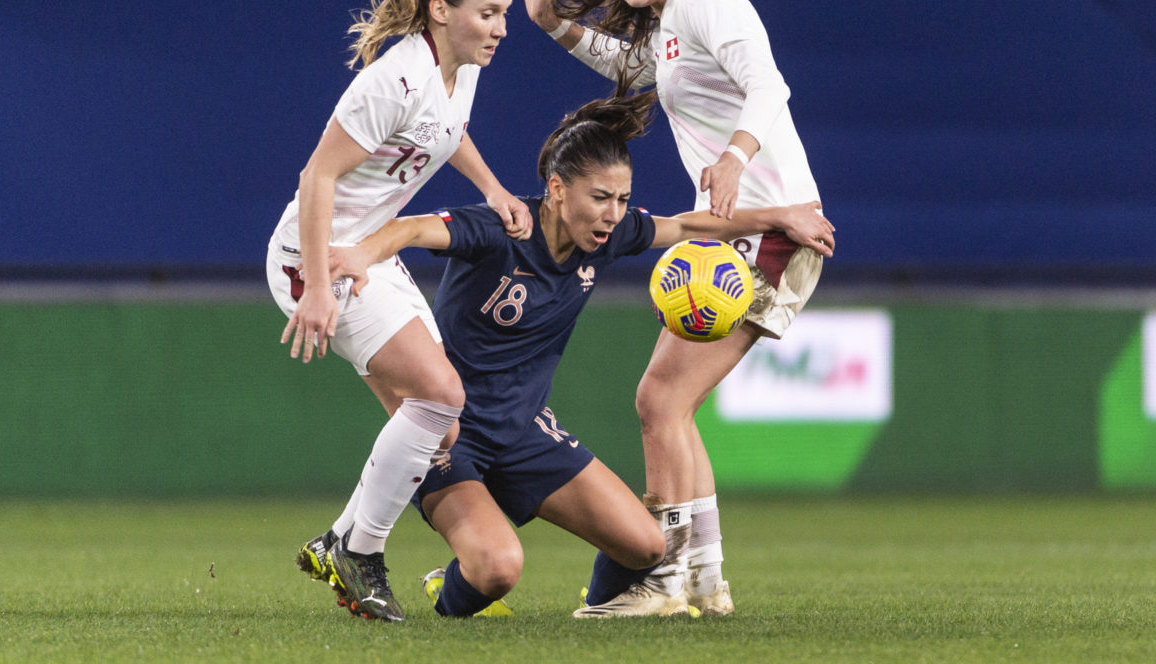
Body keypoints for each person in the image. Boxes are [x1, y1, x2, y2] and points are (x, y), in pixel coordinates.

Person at [321, 92, 834, 618]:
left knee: (646, 547)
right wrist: (361, 253)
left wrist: (779, 218)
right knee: (498, 569)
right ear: (558, 189)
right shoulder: (503, 229)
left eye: (622, 198)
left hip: (523, 433)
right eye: (600, 197)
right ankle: (452, 597)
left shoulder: (608, 237)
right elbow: (411, 228)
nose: (614, 214)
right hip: (447, 435)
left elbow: (688, 226)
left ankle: (598, 607)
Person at [511, 0, 825, 615]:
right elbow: (637, 68)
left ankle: (663, 579)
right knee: (669, 405)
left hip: (768, 230)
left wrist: (737, 157)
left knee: (660, 400)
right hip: (748, 228)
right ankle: (704, 584)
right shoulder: (675, 19)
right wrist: (555, 24)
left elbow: (768, 84)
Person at [267, 0, 532, 623]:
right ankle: (361, 552)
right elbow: (315, 177)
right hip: (315, 254)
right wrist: (319, 288)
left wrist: (493, 186)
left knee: (439, 427)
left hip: (368, 253)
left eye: (505, 14)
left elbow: (447, 133)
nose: (502, 27)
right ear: (442, 10)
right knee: (442, 393)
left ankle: (339, 542)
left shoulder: (460, 69)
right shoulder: (395, 79)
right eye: (489, 13)